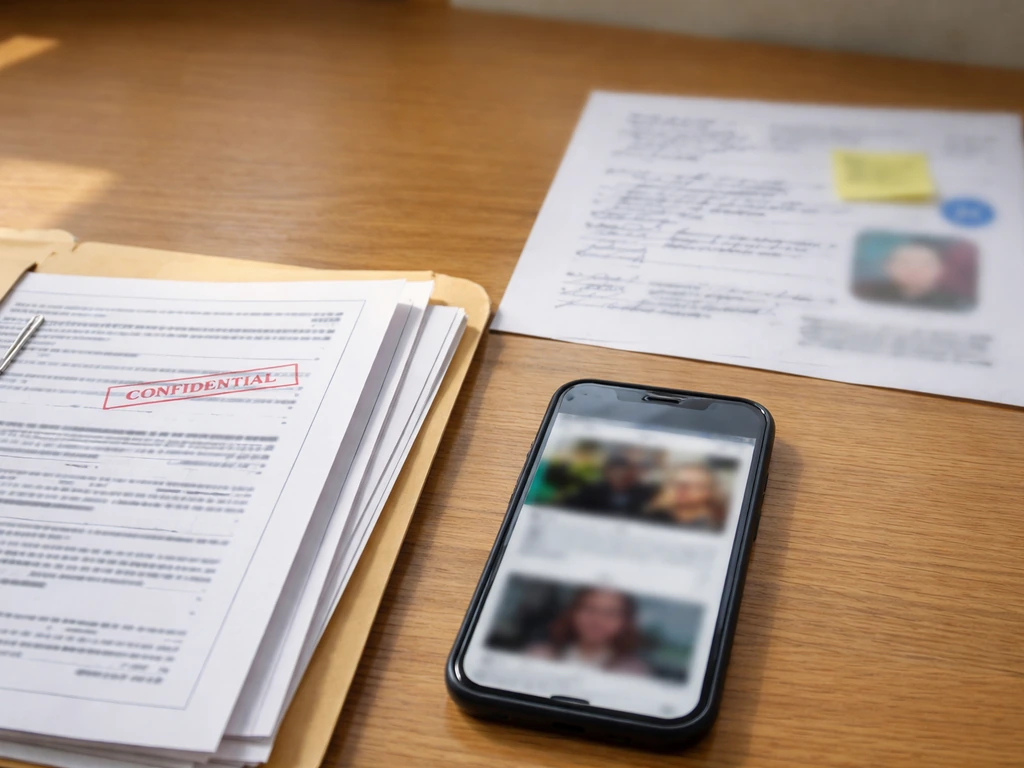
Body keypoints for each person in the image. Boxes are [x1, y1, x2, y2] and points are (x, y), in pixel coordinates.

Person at [527, 587, 649, 675]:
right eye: (589, 609)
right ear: (573, 612)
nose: (597, 620)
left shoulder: (633, 672)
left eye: (611, 613)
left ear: (625, 622)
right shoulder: (538, 656)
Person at [854, 240, 975, 310]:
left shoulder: (956, 304)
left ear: (941, 269)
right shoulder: (865, 295)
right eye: (905, 262)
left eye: (924, 264)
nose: (914, 270)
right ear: (887, 266)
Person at [562, 453, 658, 517]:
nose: (620, 476)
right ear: (607, 472)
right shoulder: (592, 490)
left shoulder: (643, 492)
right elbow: (568, 505)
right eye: (615, 472)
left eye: (624, 472)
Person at [645, 462, 727, 531]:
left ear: (709, 492)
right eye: (677, 483)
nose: (682, 489)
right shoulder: (653, 517)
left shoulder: (715, 527)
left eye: (696, 485)